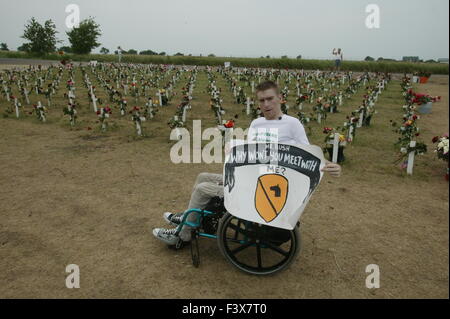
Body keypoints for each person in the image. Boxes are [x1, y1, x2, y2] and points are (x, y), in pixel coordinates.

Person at [153, 81, 342, 245]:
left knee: (203, 188)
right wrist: (234, 149)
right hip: (251, 178)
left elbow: (308, 153)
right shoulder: (256, 124)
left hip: (266, 187)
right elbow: (251, 152)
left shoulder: (292, 124)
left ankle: (184, 234)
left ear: (280, 98)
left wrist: (329, 165)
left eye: (270, 99)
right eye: (262, 100)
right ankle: (190, 217)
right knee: (203, 176)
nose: (266, 104)